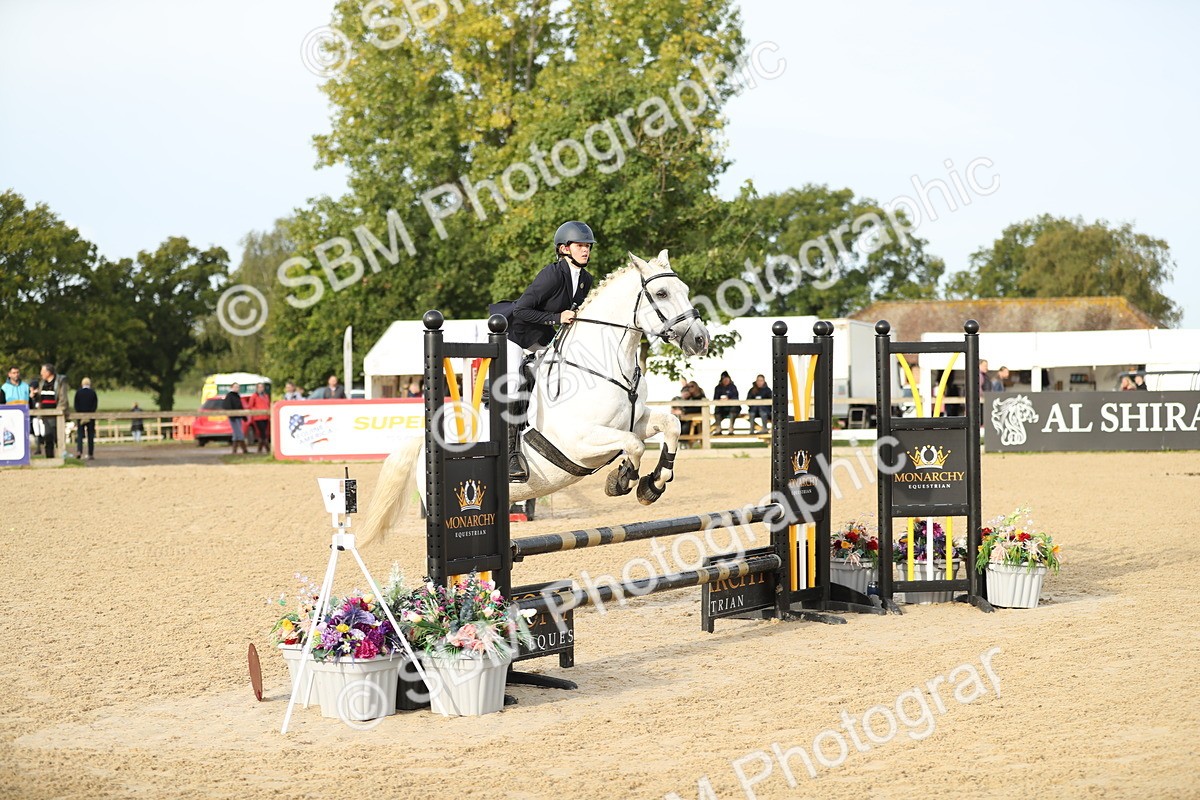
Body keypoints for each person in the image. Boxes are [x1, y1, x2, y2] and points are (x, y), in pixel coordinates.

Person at [497, 220, 596, 481]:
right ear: (564, 249)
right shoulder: (552, 274)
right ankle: (510, 455)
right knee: (514, 384)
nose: (585, 250)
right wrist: (555, 317)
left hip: (543, 338)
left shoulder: (586, 280)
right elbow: (521, 309)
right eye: (580, 246)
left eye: (588, 246)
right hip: (516, 336)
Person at [34, 364, 68, 458]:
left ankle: (61, 457)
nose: (41, 373)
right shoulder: (42, 384)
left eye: (43, 371)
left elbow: (62, 398)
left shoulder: (59, 382)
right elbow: (41, 398)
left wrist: (58, 411)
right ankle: (49, 458)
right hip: (45, 414)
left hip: (56, 414)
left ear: (48, 372)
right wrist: (35, 396)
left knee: (58, 437)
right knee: (48, 437)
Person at [73, 377, 98, 460]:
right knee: (90, 435)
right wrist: (90, 413)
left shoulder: (78, 393)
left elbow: (76, 404)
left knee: (80, 435)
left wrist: (80, 413)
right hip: (91, 416)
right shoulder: (93, 393)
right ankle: (90, 453)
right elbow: (95, 405)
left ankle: (79, 451)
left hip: (80, 416)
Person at [246, 382, 271, 453]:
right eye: (259, 387)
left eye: (262, 387)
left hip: (265, 417)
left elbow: (268, 405)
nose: (261, 389)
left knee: (264, 433)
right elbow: (250, 406)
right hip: (258, 417)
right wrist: (257, 410)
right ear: (257, 388)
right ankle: (267, 448)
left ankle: (260, 449)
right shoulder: (254, 396)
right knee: (262, 432)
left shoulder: (266, 396)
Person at [224, 381, 247, 454]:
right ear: (232, 388)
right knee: (239, 433)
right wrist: (232, 415)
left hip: (239, 416)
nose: (237, 388)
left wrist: (243, 416)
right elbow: (227, 406)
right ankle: (244, 449)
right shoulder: (229, 396)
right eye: (235, 387)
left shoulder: (237, 396)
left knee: (236, 434)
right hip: (233, 417)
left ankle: (234, 451)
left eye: (238, 387)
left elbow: (240, 406)